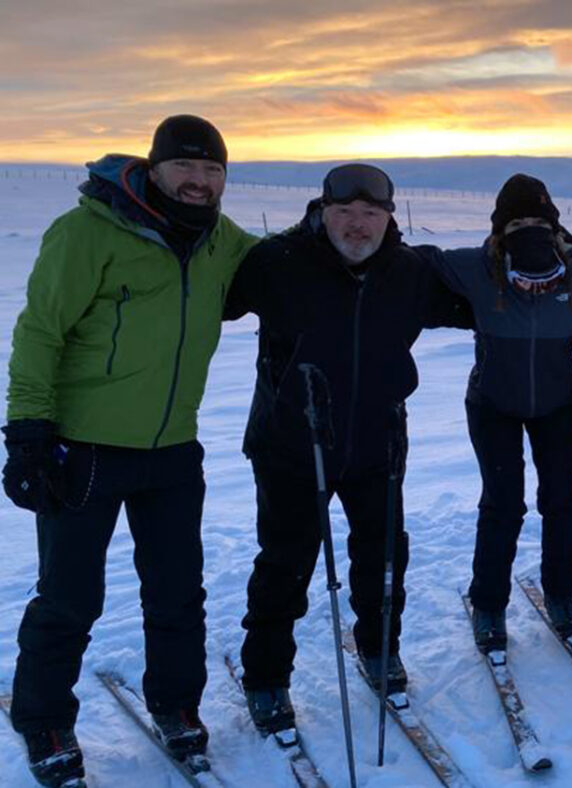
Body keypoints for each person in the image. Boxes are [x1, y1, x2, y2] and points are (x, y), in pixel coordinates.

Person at [2, 115, 258, 786]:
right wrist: (28, 429)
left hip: (173, 448)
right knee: (69, 596)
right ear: (155, 167)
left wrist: (328, 228)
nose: (199, 182)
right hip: (82, 448)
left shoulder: (220, 241)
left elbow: (280, 265)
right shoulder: (88, 231)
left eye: (213, 171)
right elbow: (39, 331)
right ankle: (43, 719)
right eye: (186, 168)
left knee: (177, 593)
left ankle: (175, 705)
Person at [226, 163, 472, 737]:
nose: (357, 226)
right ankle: (266, 676)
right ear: (321, 211)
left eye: (371, 213)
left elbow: (483, 304)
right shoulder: (278, 263)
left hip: (377, 441)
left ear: (389, 217)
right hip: (293, 442)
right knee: (285, 563)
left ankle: (380, 648)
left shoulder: (409, 272)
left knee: (384, 558)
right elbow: (202, 300)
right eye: (344, 212)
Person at [425, 174, 572, 651]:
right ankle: (488, 603)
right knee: (503, 503)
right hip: (493, 405)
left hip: (558, 404)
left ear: (554, 226)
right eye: (517, 221)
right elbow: (415, 263)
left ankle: (561, 594)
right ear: (499, 228)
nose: (528, 230)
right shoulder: (476, 267)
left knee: (562, 499)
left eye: (538, 220)